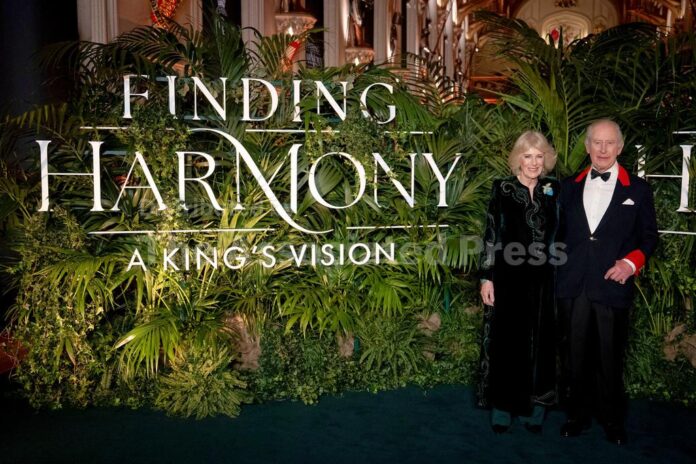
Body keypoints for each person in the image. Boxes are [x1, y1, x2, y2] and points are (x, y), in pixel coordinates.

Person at [556, 119, 658, 445]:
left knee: (609, 356)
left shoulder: (638, 189)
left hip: (613, 286)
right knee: (574, 355)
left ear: (620, 147)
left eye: (609, 142)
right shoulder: (567, 187)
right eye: (596, 142)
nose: (602, 149)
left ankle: (613, 420)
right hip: (573, 284)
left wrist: (631, 263)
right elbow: (554, 235)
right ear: (587, 147)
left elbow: (649, 237)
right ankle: (576, 415)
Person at [478, 131, 560, 434]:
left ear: (546, 159)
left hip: (545, 278)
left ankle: (536, 406)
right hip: (508, 276)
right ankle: (503, 407)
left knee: (541, 341)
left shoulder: (554, 189)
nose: (534, 162)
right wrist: (486, 277)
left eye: (539, 156)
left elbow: (562, 232)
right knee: (508, 340)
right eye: (528, 156)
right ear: (518, 159)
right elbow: (491, 233)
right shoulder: (502, 188)